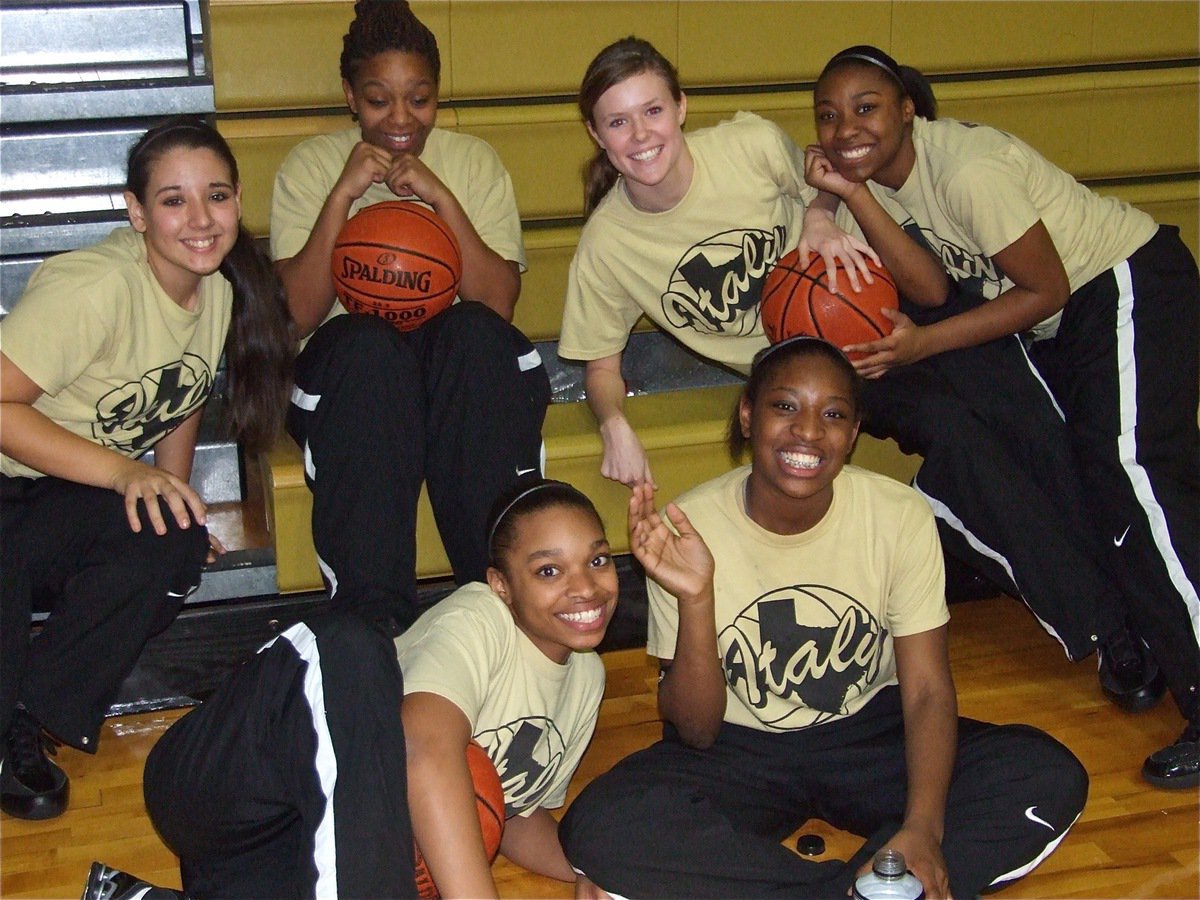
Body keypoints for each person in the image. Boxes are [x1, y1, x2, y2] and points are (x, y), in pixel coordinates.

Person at [559, 337, 1089, 899]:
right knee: (599, 826)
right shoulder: (684, 528)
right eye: (785, 406)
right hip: (738, 749)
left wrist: (923, 829)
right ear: (747, 414)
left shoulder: (897, 514)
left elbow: (928, 690)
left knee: (1042, 772)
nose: (808, 431)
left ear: (854, 432)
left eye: (833, 413)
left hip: (869, 734)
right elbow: (695, 729)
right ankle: (869, 889)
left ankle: (882, 872)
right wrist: (696, 598)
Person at [806, 45, 1199, 789]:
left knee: (1132, 475)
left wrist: (922, 345)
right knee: (1113, 481)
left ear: (908, 110)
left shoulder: (967, 171)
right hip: (1072, 320)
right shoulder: (880, 184)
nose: (844, 126)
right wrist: (834, 199)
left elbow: (1044, 288)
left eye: (865, 107)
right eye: (828, 115)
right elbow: (925, 286)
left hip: (1122, 282)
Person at [0, 117, 294, 821]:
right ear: (135, 211)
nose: (200, 219)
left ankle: (22, 715)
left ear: (237, 200)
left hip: (55, 489)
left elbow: (182, 393)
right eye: (172, 200)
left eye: (216, 196)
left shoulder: (214, 286)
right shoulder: (93, 288)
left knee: (171, 539)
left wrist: (175, 491)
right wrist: (127, 476)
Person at [141, 478, 616, 898]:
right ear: (501, 585)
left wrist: (600, 871)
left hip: (288, 843)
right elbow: (423, 748)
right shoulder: (480, 618)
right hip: (218, 779)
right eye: (549, 570)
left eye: (597, 560)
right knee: (352, 642)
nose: (585, 587)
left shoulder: (586, 679)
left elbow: (511, 813)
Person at [271, 0, 550, 631]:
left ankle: (499, 614)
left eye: (419, 99)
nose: (401, 119)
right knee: (366, 342)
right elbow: (296, 315)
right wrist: (343, 193)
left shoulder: (472, 161)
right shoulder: (312, 166)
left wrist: (441, 198)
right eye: (378, 100)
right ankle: (372, 629)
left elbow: (499, 303)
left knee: (476, 334)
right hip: (354, 379)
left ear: (437, 94)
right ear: (349, 95)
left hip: (458, 372)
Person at [558, 36, 877, 489]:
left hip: (858, 320)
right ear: (595, 133)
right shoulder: (606, 244)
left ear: (681, 107)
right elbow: (603, 369)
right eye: (618, 122)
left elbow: (827, 175)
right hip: (784, 382)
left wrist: (820, 213)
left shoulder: (749, 145)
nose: (641, 135)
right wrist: (613, 424)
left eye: (653, 111)